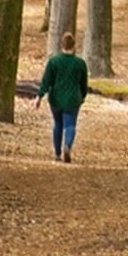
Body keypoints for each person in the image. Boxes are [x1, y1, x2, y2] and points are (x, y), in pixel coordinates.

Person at [34, 32, 89, 163]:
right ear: (74, 46)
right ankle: (67, 145)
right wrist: (82, 96)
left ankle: (58, 153)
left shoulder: (54, 62)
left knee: (58, 124)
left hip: (56, 99)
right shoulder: (80, 64)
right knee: (70, 125)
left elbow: (46, 81)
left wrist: (39, 96)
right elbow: (84, 83)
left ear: (61, 45)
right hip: (72, 99)